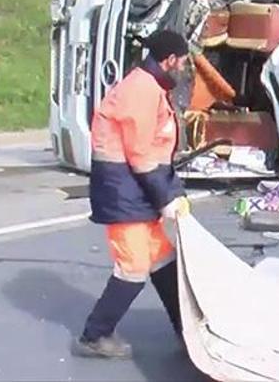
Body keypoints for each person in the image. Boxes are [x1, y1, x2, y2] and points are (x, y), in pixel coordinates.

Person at [73, 30, 192, 359]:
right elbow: (141, 155)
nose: (182, 69)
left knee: (163, 259)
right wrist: (167, 198)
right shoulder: (141, 89)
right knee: (134, 266)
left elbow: (154, 151)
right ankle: (94, 335)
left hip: (133, 190)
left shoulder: (148, 86)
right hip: (124, 193)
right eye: (181, 62)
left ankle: (186, 330)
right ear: (169, 60)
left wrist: (171, 191)